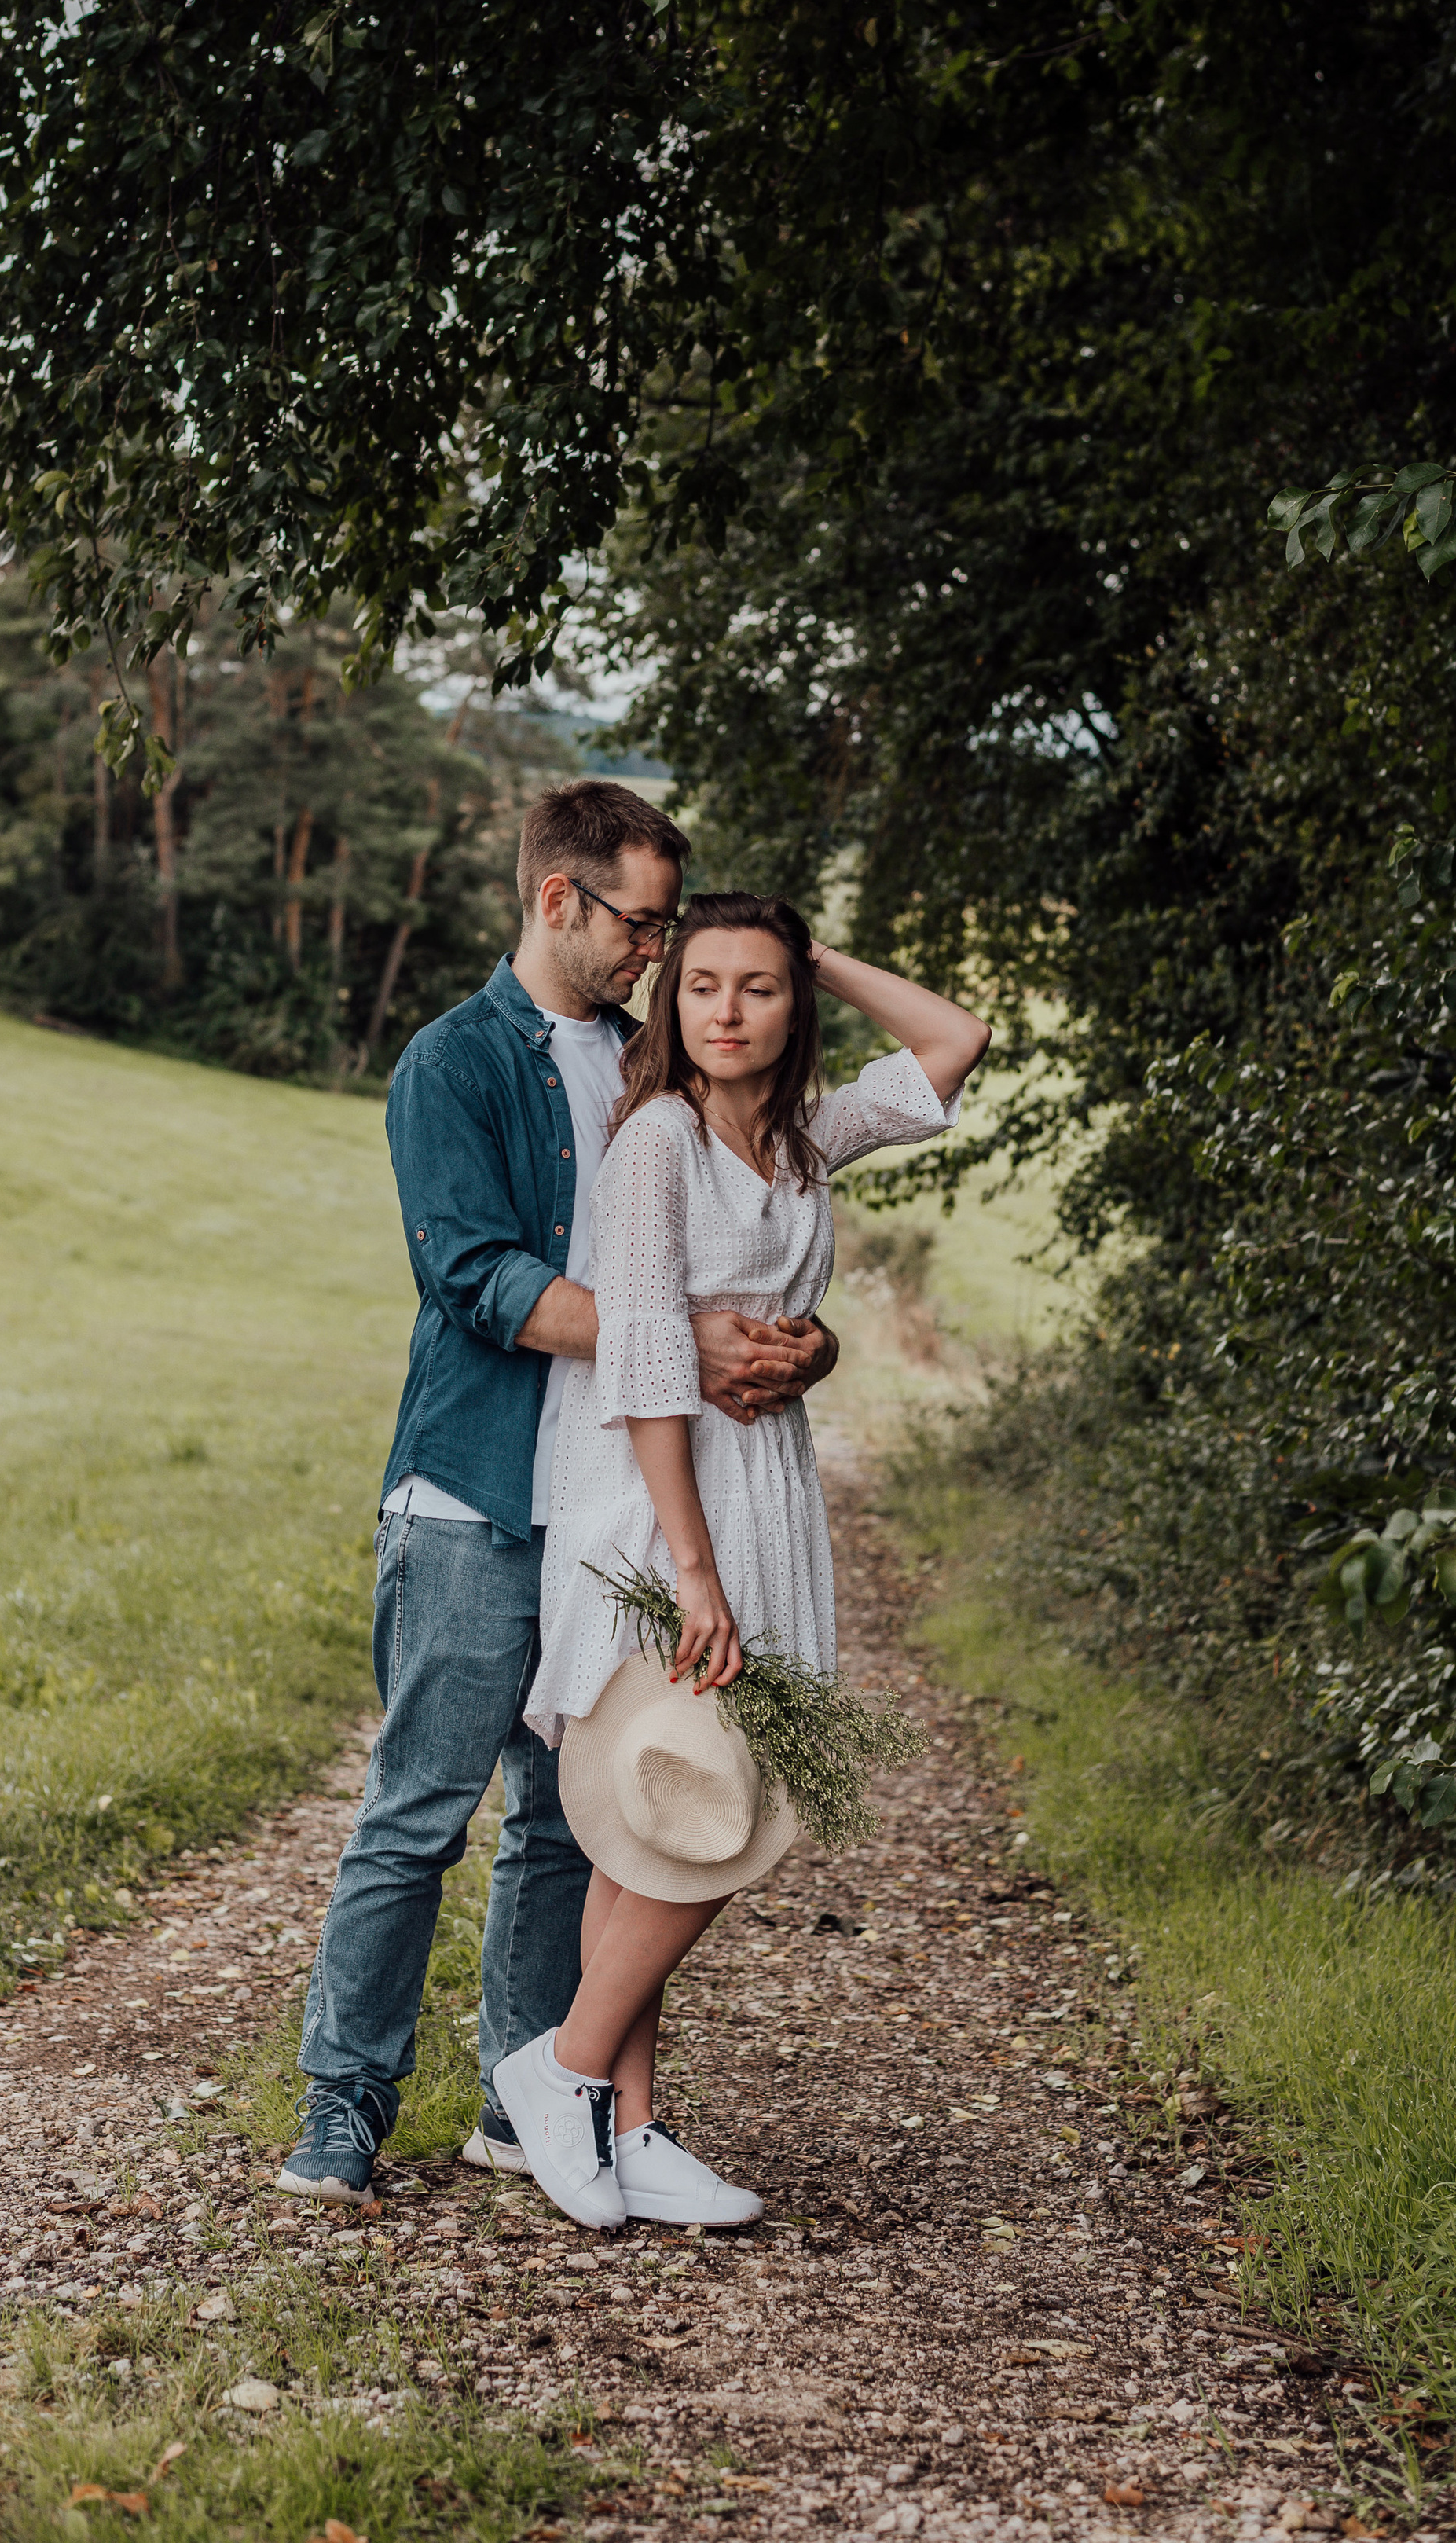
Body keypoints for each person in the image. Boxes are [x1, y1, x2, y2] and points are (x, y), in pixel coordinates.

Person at [280, 786, 840, 2202]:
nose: (659, 949)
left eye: (671, 924)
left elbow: (749, 1242)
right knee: (421, 1810)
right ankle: (344, 2105)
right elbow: (474, 1277)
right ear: (556, 900)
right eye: (642, 921)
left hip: (615, 1510)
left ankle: (535, 2104)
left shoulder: (658, 1059)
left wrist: (804, 1341)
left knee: (575, 1817)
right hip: (478, 1494)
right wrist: (671, 1340)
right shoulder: (454, 1062)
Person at [493, 893, 991, 2228]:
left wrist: (814, 943)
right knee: (703, 1803)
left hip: (761, 1481)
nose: (723, 1008)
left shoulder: (803, 1137)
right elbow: (648, 1354)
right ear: (673, 1003)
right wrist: (692, 1569)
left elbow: (956, 1040)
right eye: (701, 982)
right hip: (666, 1494)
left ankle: (629, 2124)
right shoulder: (655, 1139)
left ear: (793, 1005)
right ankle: (566, 2065)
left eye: (758, 986)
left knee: (660, 1811)